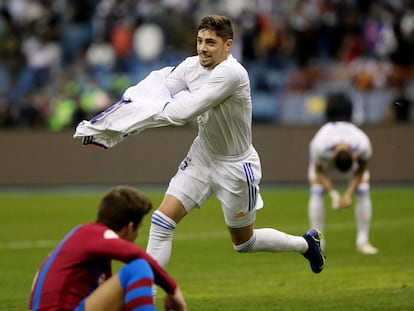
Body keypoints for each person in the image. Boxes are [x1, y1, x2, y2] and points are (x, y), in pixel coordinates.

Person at [144, 14, 325, 279]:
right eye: (200, 41)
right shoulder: (190, 66)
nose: (203, 48)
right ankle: (144, 301)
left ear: (227, 45)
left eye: (211, 42)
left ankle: (306, 244)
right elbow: (159, 92)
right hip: (203, 156)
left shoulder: (233, 73)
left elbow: (187, 111)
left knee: (244, 243)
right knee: (161, 221)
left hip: (236, 168)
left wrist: (139, 121)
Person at [29, 186, 187, 311]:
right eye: (139, 228)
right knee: (139, 268)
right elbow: (135, 254)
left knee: (125, 294)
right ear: (129, 227)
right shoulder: (95, 234)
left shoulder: (85, 235)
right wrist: (172, 288)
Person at [307, 121, 378, 255]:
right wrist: (333, 194)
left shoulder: (362, 145)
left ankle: (363, 242)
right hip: (324, 157)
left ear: (353, 156)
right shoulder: (319, 146)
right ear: (332, 157)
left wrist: (348, 194)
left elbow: (360, 171)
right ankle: (317, 243)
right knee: (316, 190)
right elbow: (319, 172)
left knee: (363, 188)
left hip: (347, 154)